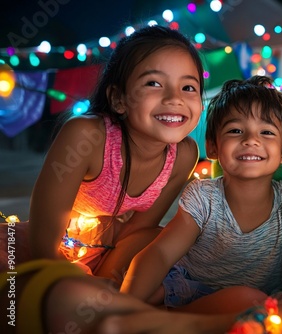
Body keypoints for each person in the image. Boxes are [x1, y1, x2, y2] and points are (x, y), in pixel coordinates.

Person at [1, 9, 282, 334]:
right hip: (170, 280)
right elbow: (155, 241)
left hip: (251, 308)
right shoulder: (265, 146)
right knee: (41, 267)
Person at [121, 75, 282, 313]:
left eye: (266, 132)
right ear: (213, 147)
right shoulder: (203, 196)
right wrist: (127, 306)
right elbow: (161, 253)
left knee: (248, 301)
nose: (251, 141)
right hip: (189, 289)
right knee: (138, 283)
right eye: (236, 130)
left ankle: (166, 323)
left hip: (255, 304)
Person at [26, 25, 205, 282]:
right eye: (153, 83)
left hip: (111, 250)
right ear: (119, 99)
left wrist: (106, 283)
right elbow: (43, 243)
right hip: (56, 250)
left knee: (164, 241)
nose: (174, 98)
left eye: (188, 87)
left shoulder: (185, 155)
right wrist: (77, 284)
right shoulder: (87, 136)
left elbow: (137, 233)